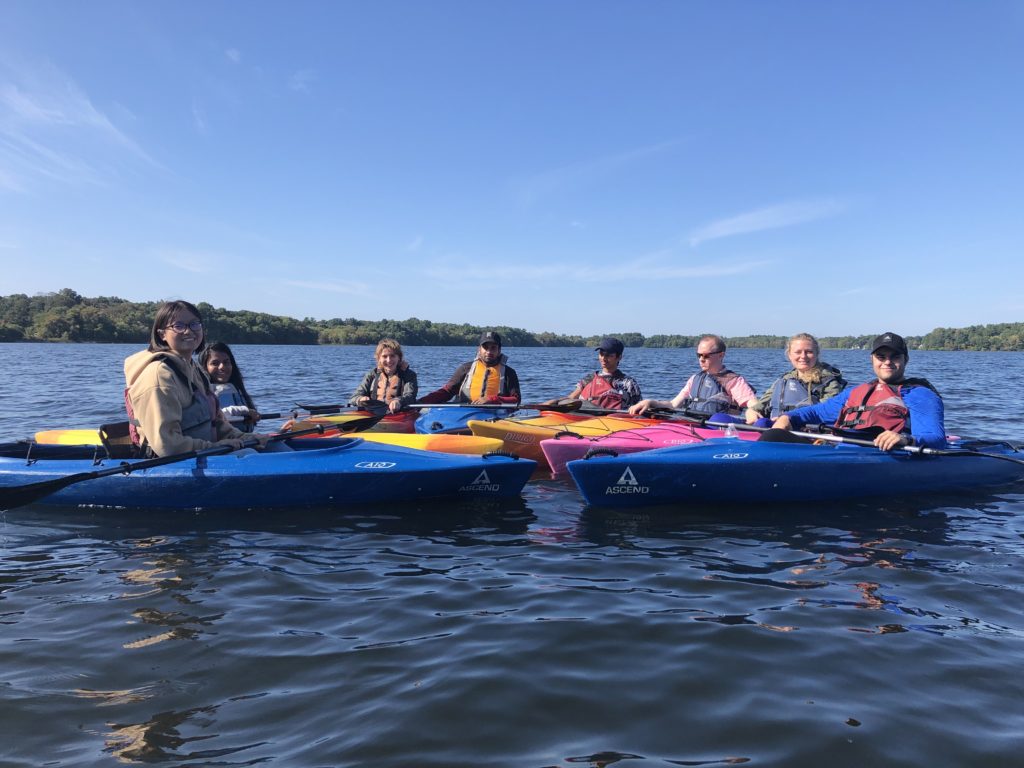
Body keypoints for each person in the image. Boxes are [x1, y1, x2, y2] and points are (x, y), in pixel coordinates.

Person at [124, 301, 273, 457]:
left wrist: (247, 437)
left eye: (194, 324)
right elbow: (166, 444)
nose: (188, 331)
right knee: (249, 455)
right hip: (172, 463)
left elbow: (218, 424)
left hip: (205, 451)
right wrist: (212, 447)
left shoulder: (195, 370)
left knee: (273, 446)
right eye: (179, 326)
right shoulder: (158, 376)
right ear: (162, 334)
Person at [770, 331, 945, 450]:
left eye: (895, 357)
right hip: (837, 450)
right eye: (881, 357)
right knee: (774, 435)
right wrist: (789, 417)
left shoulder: (920, 395)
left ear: (905, 360)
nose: (887, 362)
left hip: (875, 456)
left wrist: (905, 439)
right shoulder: (857, 391)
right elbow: (818, 412)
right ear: (872, 360)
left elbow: (935, 438)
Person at [630, 334, 757, 420]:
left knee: (719, 418)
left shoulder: (734, 381)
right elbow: (674, 404)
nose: (701, 359)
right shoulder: (695, 379)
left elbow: (753, 404)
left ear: (720, 355)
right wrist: (651, 402)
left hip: (717, 428)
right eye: (699, 355)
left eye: (706, 356)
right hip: (693, 425)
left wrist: (752, 411)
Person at [745, 333, 847, 426]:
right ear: (789, 355)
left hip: (806, 431)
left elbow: (828, 412)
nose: (803, 356)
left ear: (817, 354)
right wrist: (751, 412)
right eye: (798, 352)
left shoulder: (828, 382)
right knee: (760, 423)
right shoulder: (785, 380)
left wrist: (788, 419)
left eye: (809, 352)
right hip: (776, 426)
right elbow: (760, 405)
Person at [417, 331, 521, 405]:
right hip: (465, 412)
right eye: (485, 348)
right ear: (479, 349)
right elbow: (447, 392)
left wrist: (492, 399)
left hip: (496, 415)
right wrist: (421, 401)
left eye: (493, 348)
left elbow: (516, 399)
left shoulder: (509, 372)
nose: (489, 352)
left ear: (499, 350)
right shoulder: (465, 368)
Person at [555, 337, 642, 409]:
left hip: (617, 421)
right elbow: (572, 398)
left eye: (608, 355)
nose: (603, 358)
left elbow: (639, 407)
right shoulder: (589, 379)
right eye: (601, 354)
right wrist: (555, 402)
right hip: (589, 420)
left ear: (619, 357)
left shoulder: (629, 383)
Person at [200, 341, 260, 432]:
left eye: (226, 362)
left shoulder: (236, 388)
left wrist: (282, 431)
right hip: (224, 444)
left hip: (247, 441)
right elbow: (210, 417)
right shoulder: (202, 392)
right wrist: (244, 410)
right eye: (215, 363)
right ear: (205, 367)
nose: (222, 367)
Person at [350, 338, 418, 414]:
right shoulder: (372, 375)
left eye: (392, 356)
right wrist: (360, 399)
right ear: (379, 358)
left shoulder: (409, 375)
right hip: (374, 414)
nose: (389, 360)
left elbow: (410, 396)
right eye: (384, 356)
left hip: (398, 415)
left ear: (399, 357)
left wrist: (398, 401)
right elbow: (353, 398)